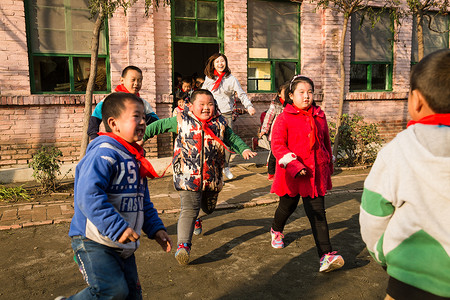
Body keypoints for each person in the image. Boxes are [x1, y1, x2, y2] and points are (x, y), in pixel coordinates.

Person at [57, 92, 172, 300]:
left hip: (122, 243)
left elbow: (142, 201)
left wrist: (156, 228)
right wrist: (117, 227)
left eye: (144, 117)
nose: (143, 122)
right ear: (113, 123)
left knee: (132, 295)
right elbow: (88, 195)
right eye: (136, 116)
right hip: (94, 240)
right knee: (112, 291)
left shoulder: (134, 157)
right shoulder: (104, 153)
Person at [360, 49, 450, 300]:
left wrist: (384, 254)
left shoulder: (397, 151)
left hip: (409, 280)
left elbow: (373, 215)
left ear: (416, 101)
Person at [141, 89, 257, 265]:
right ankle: (183, 247)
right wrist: (141, 137)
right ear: (191, 105)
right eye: (201, 104)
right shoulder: (181, 120)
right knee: (189, 209)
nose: (206, 108)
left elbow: (232, 139)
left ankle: (198, 217)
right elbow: (158, 126)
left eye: (210, 104)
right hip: (188, 175)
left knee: (208, 209)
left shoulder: (220, 123)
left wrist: (244, 149)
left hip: (212, 176)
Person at [269, 75, 344, 273]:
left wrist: (328, 165)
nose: (306, 96)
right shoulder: (284, 117)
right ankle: (276, 230)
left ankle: (326, 256)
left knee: (318, 214)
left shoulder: (319, 115)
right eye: (301, 92)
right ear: (291, 95)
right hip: (293, 174)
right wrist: (293, 164)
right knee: (287, 206)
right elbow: (277, 146)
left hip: (314, 174)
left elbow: (325, 142)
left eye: (310, 92)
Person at [202, 53, 256, 180]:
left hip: (225, 113)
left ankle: (226, 166)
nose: (220, 64)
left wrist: (249, 106)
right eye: (217, 62)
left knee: (227, 142)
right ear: (213, 64)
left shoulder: (231, 79)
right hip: (211, 114)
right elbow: (203, 94)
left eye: (222, 61)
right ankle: (215, 170)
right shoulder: (209, 79)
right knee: (212, 142)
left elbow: (241, 94)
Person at [87, 65, 159, 141]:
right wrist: (93, 137)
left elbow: (156, 123)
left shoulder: (142, 103)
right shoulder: (111, 100)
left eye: (139, 80)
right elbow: (95, 118)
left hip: (134, 144)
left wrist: (141, 117)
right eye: (133, 80)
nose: (136, 83)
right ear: (122, 80)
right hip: (114, 141)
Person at [258, 82, 288, 180]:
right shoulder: (275, 104)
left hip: (288, 134)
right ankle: (271, 172)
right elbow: (268, 117)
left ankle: (284, 172)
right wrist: (264, 130)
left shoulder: (291, 104)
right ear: (279, 94)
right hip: (275, 134)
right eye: (285, 92)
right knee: (274, 154)